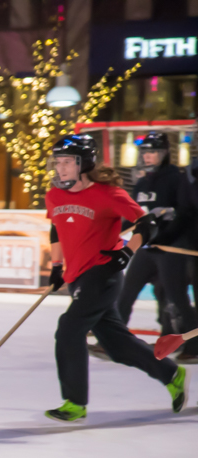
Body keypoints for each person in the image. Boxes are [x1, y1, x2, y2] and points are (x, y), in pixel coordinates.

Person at [43, 134, 188, 423]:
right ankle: (170, 372)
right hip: (76, 277)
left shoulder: (107, 194)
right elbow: (56, 229)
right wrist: (57, 267)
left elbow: (147, 224)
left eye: (67, 162)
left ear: (83, 163)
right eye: (57, 162)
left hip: (102, 274)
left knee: (69, 328)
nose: (60, 168)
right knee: (117, 346)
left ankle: (74, 402)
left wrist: (126, 254)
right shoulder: (54, 195)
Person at [114, 132, 198, 363]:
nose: (148, 157)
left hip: (171, 249)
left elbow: (185, 213)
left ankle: (194, 346)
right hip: (148, 248)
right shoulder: (141, 182)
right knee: (127, 292)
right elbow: (134, 215)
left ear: (164, 154)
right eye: (146, 152)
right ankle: (114, 341)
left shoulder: (176, 179)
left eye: (153, 152)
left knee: (176, 298)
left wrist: (168, 237)